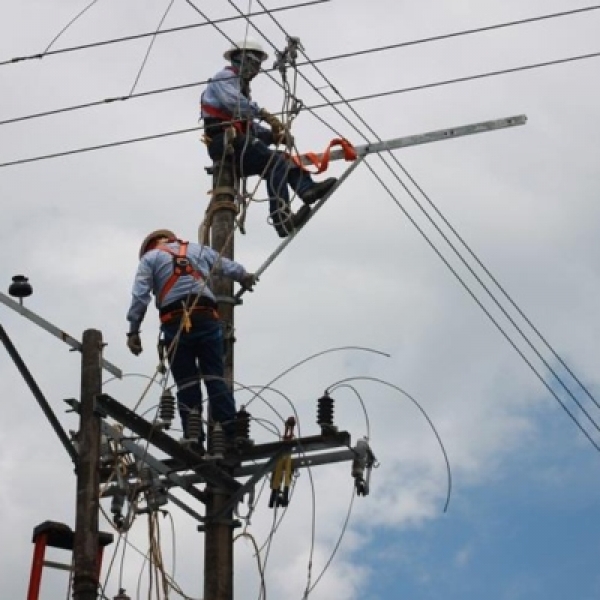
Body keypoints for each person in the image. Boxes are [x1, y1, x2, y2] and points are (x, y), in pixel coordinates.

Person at [125, 229, 256, 447]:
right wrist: (244, 276)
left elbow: (140, 295)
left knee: (187, 383)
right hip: (206, 317)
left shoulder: (150, 258)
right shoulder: (197, 250)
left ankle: (193, 438)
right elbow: (225, 265)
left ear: (150, 245)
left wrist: (133, 330)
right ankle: (231, 435)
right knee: (214, 378)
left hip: (175, 324)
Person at [200, 38, 337, 238]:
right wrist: (264, 114)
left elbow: (247, 126)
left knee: (282, 159)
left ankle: (306, 188)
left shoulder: (240, 86)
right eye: (255, 63)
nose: (257, 70)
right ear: (243, 59)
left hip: (238, 142)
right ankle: (281, 220)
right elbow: (235, 104)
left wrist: (273, 136)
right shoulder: (224, 78)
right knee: (274, 162)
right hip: (225, 143)